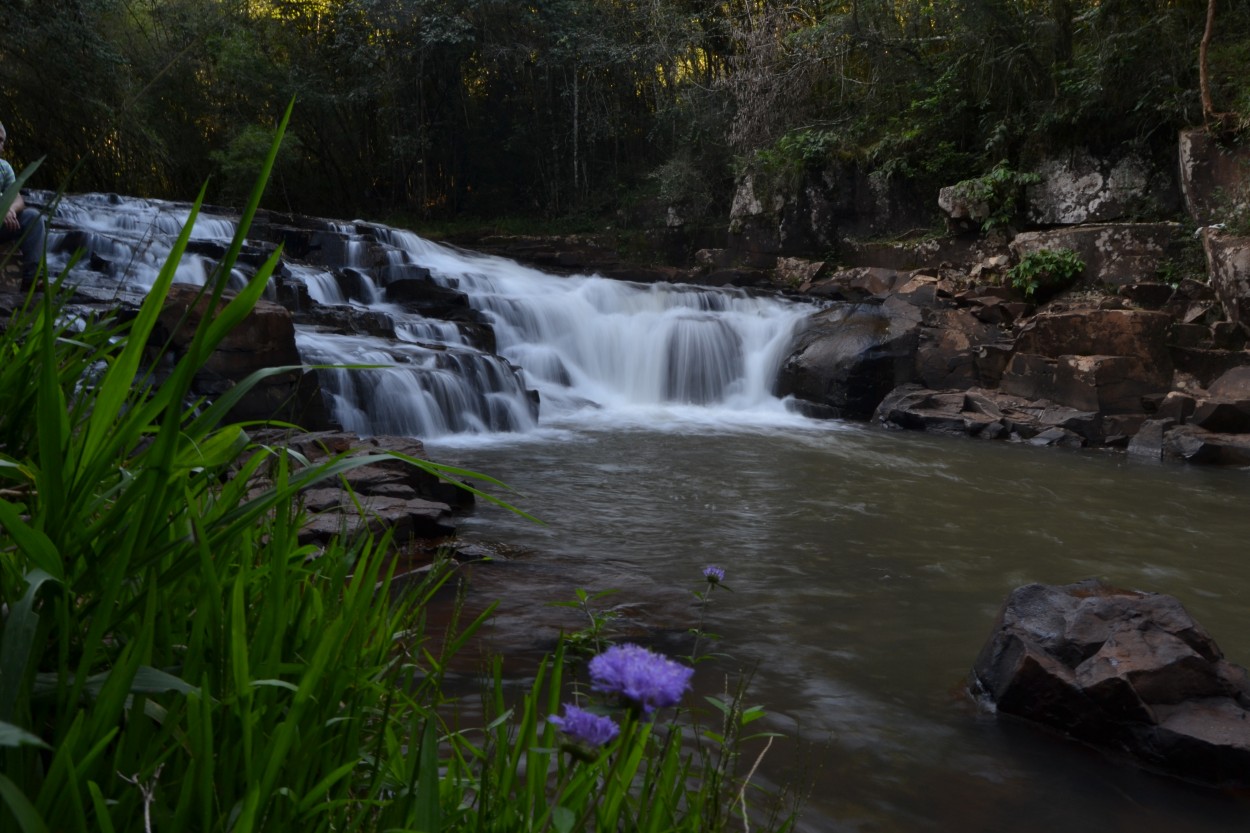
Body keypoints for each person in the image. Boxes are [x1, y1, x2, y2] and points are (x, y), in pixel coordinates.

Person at [0, 121, 47, 282]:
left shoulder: (4, 168)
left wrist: (10, 209)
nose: (1, 146)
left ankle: (31, 278)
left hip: (3, 223)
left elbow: (17, 197)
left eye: (2, 141)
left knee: (33, 217)